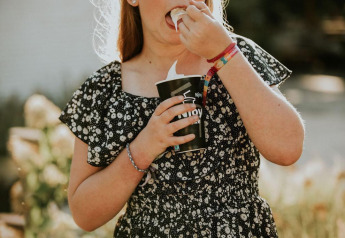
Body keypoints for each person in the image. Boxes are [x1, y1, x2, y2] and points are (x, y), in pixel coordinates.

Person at [59, 0, 305, 237]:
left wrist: (224, 54)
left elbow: (288, 149)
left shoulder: (236, 55)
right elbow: (84, 214)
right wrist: (144, 147)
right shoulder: (104, 90)